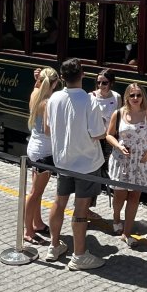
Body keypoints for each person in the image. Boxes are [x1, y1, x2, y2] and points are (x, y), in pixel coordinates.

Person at [44, 58, 106, 270]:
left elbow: (49, 129)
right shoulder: (90, 101)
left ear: (62, 78)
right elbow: (98, 133)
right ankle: (79, 255)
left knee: (59, 202)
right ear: (83, 75)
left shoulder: (53, 99)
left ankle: (54, 246)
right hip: (86, 163)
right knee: (80, 209)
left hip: (63, 161)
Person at [106, 83, 147, 247]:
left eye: (138, 95)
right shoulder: (119, 113)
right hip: (122, 160)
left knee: (135, 196)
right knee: (120, 195)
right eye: (132, 95)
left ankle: (126, 232)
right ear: (127, 97)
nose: (135, 98)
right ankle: (116, 217)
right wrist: (118, 146)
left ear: (143, 97)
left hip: (140, 161)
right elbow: (109, 135)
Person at [24, 66, 60, 245]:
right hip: (44, 151)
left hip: (34, 146)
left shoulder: (35, 94)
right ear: (54, 84)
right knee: (35, 193)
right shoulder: (48, 102)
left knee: (36, 191)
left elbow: (37, 87)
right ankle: (28, 230)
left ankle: (37, 223)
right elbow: (48, 130)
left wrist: (36, 79)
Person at [89, 69, 120, 219]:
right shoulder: (91, 97)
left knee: (109, 171)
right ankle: (87, 205)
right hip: (95, 139)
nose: (101, 86)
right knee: (93, 171)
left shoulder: (116, 97)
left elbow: (119, 118)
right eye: (98, 82)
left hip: (110, 138)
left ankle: (115, 210)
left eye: (104, 83)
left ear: (111, 83)